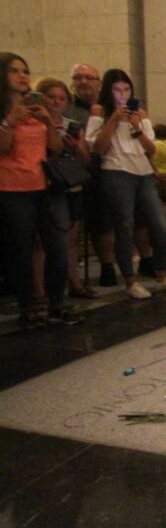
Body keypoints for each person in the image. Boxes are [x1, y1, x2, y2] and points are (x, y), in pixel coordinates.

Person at [87, 68, 166, 299]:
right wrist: (113, 119)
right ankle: (130, 281)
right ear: (108, 91)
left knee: (159, 225)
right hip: (115, 171)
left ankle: (161, 275)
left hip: (143, 172)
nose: (122, 94)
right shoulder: (99, 111)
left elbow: (151, 148)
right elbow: (98, 148)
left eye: (126, 89)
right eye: (117, 89)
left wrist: (136, 127)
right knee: (124, 225)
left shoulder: (140, 113)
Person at [0, 52, 82, 327]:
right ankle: (28, 306)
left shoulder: (34, 107)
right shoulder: (5, 111)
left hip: (44, 185)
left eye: (25, 70)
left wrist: (47, 122)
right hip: (12, 187)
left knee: (57, 245)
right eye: (14, 70)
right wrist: (11, 121)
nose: (22, 75)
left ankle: (56, 303)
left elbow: (55, 149)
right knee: (21, 250)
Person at [34, 77, 96, 300]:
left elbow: (85, 160)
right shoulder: (33, 122)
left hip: (70, 183)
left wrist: (78, 146)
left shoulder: (72, 124)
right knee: (41, 242)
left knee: (71, 238)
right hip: (44, 183)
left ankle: (75, 283)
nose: (55, 102)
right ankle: (40, 292)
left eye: (61, 98)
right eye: (51, 97)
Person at [64, 63, 118, 287]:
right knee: (75, 228)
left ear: (99, 82)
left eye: (89, 77)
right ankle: (72, 277)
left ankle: (108, 265)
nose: (83, 81)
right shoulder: (68, 109)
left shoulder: (111, 108)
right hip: (79, 173)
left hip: (110, 171)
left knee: (105, 223)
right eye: (78, 77)